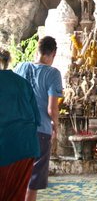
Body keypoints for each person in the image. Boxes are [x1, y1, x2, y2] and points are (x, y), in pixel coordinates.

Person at [14, 36, 63, 201]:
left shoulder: (20, 67)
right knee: (32, 182)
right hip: (40, 131)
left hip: (18, 130)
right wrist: (55, 127)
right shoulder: (53, 73)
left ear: (38, 50)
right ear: (53, 53)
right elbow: (52, 109)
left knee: (17, 177)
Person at [0, 45, 40, 201]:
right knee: (15, 196)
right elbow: (36, 118)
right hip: (26, 147)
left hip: (5, 147)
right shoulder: (22, 83)